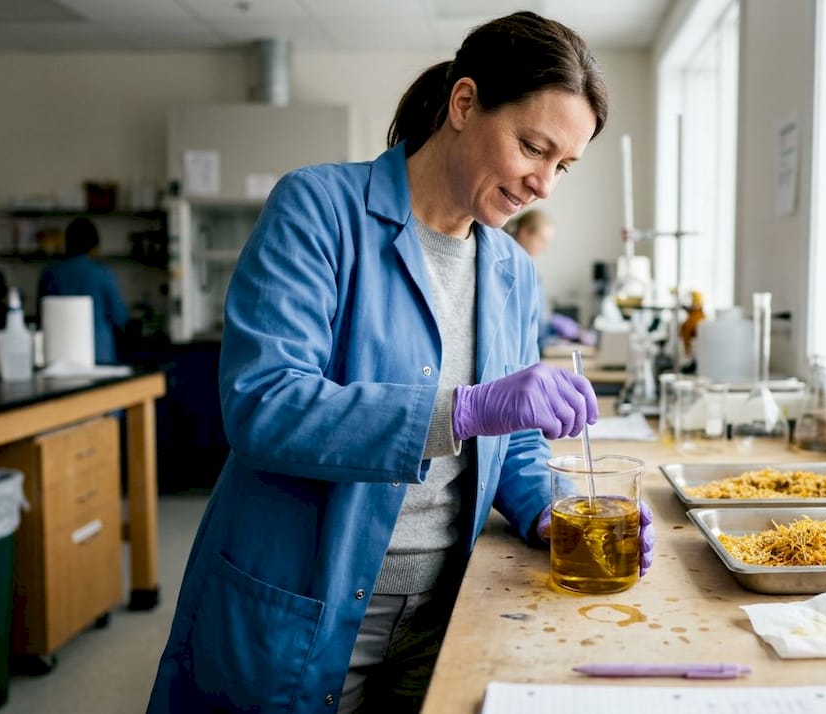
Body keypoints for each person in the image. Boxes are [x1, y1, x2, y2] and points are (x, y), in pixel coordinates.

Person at [147, 11, 654, 714]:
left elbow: (514, 448)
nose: (544, 184)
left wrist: (555, 512)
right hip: (307, 603)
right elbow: (263, 403)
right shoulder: (319, 210)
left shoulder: (511, 270)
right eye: (533, 148)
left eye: (562, 166)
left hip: (444, 611)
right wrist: (464, 410)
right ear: (464, 103)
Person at [36, 217, 128, 364]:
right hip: (99, 353)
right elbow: (120, 317)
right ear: (95, 246)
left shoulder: (50, 274)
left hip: (58, 354)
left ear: (66, 244)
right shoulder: (103, 274)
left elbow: (41, 314)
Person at [508, 209, 593, 352]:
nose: (544, 249)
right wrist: (552, 327)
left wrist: (552, 328)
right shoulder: (512, 269)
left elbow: (536, 320)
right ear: (524, 232)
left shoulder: (528, 271)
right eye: (542, 240)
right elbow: (519, 322)